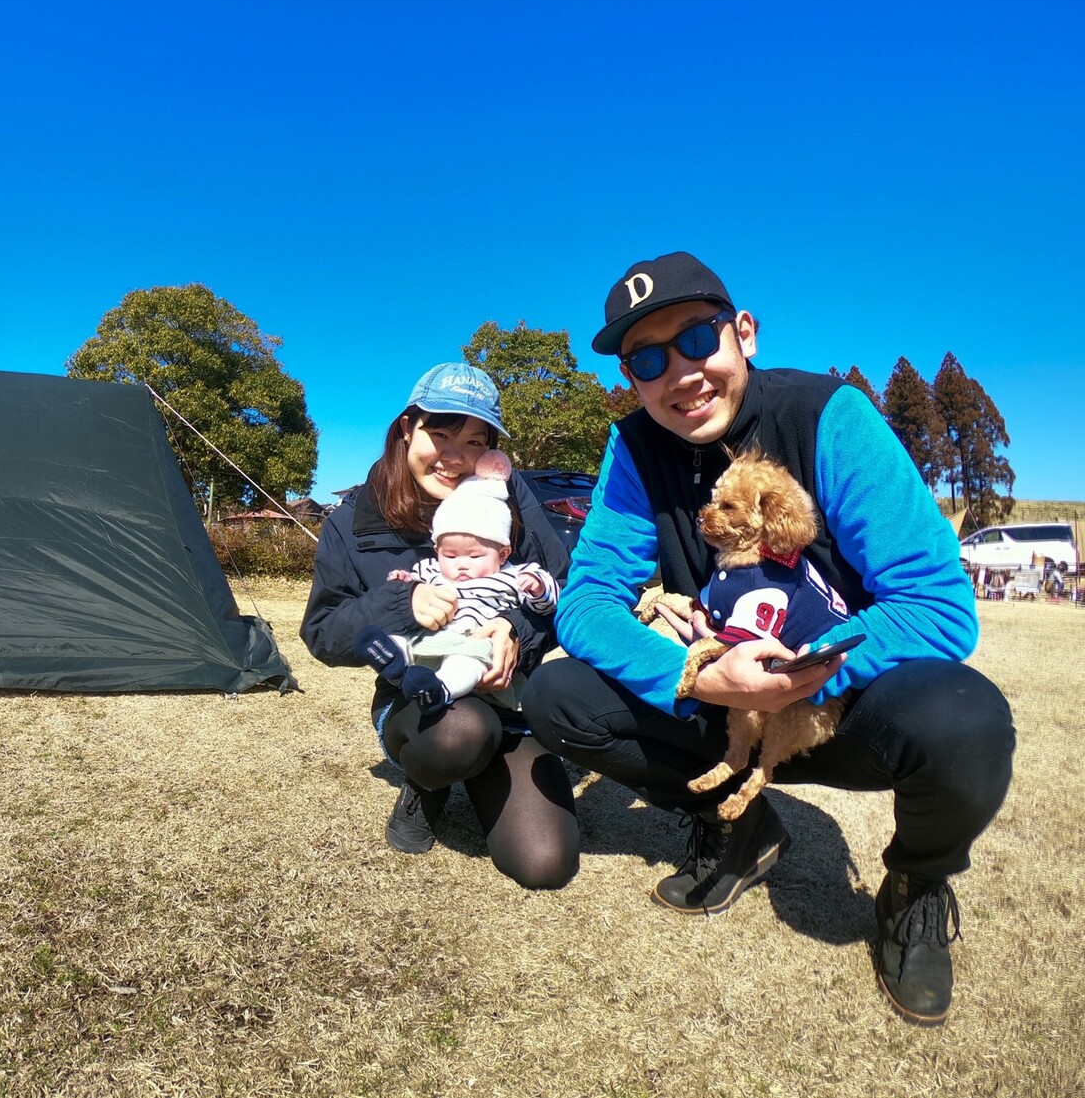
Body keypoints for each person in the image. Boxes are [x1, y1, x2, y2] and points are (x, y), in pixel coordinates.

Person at [521, 252, 1014, 1026]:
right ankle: (738, 825)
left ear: (743, 331)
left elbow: (940, 604)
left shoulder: (830, 416)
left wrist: (802, 670)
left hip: (847, 700)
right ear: (631, 378)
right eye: (647, 359)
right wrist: (700, 677)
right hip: (724, 701)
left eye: (696, 339)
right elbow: (584, 605)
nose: (679, 374)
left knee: (967, 720)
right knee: (556, 694)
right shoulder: (634, 449)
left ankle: (916, 885)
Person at [302, 363, 580, 888]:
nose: (455, 458)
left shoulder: (510, 497)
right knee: (462, 730)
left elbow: (563, 587)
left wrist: (515, 631)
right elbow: (322, 634)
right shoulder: (354, 518)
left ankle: (488, 766)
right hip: (419, 697)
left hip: (506, 694)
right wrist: (402, 602)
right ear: (407, 427)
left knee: (545, 863)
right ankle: (425, 785)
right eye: (441, 434)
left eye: (475, 441)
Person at [354, 448, 559, 716]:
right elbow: (411, 582)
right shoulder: (434, 570)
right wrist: (404, 584)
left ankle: (440, 689)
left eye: (475, 555)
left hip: (474, 643)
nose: (461, 563)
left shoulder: (510, 575)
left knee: (467, 664)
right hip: (430, 639)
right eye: (449, 554)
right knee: (403, 642)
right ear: (437, 550)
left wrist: (538, 587)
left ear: (503, 553)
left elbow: (549, 601)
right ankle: (392, 661)